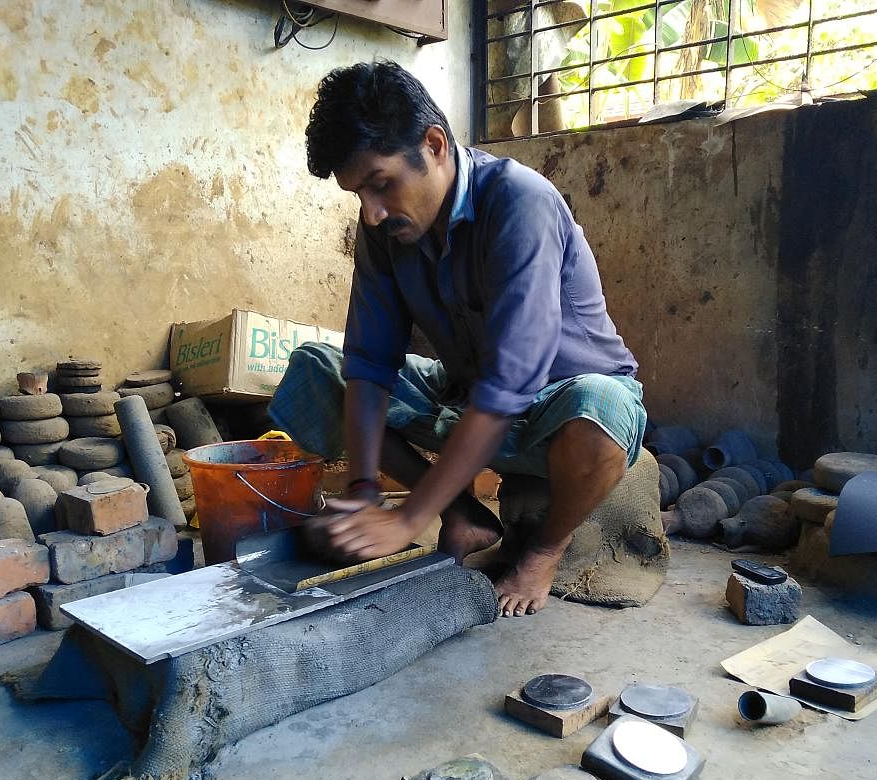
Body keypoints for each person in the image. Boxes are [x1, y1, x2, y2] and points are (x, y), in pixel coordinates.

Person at [269, 61, 646, 617]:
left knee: (602, 409)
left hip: (557, 405)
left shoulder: (521, 202)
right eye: (358, 196)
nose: (372, 213)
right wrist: (367, 486)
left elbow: (512, 383)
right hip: (466, 392)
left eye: (381, 185)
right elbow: (371, 362)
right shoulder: (384, 229)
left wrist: (407, 517)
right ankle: (465, 513)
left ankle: (544, 547)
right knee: (317, 368)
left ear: (434, 144)